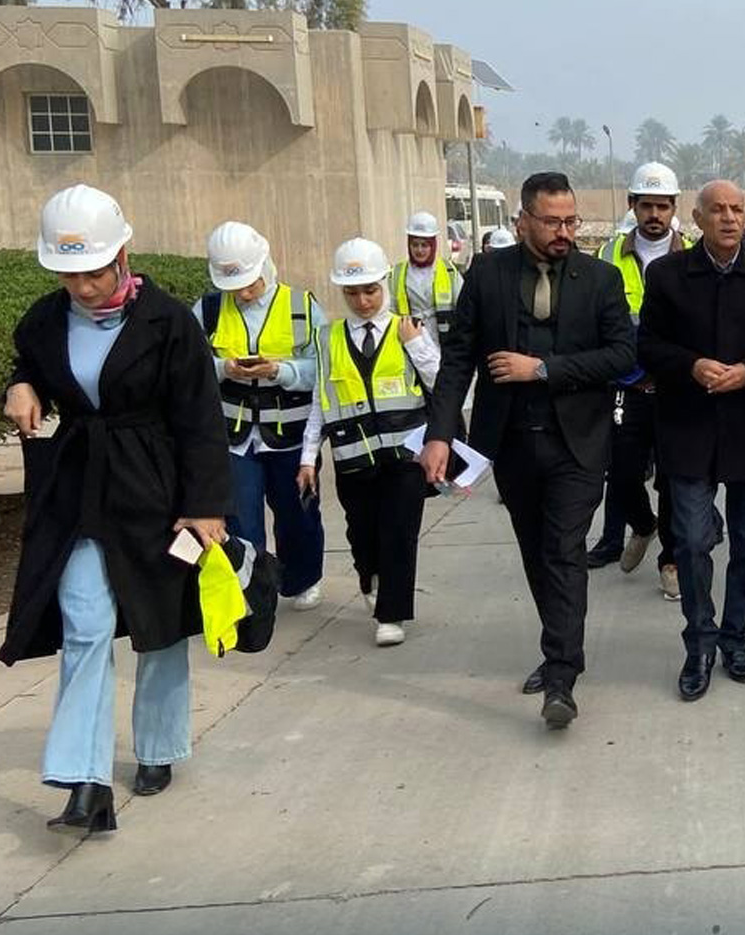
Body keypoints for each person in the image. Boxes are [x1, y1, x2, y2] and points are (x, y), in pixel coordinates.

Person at [0, 185, 233, 832]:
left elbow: (200, 418)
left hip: (155, 492)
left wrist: (205, 505)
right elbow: (27, 366)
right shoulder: (45, 320)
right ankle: (86, 780)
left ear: (122, 255)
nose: (82, 286)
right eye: (68, 274)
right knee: (85, 626)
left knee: (158, 625)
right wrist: (20, 386)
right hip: (77, 490)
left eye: (94, 272)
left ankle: (157, 746)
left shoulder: (169, 323)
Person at [421, 171, 635, 729]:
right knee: (537, 553)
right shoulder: (487, 275)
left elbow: (621, 355)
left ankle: (561, 677)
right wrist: (440, 434)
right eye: (552, 222)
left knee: (564, 550)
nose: (565, 232)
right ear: (523, 221)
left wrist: (542, 369)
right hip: (511, 444)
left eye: (571, 221)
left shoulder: (601, 278)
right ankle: (559, 646)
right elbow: (458, 358)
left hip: (578, 444)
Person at [639, 181, 745, 700]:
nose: (730, 218)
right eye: (718, 210)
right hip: (688, 430)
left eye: (738, 210)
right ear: (697, 219)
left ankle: (735, 640)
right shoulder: (667, 276)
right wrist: (691, 365)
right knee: (692, 540)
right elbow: (647, 345)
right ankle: (699, 643)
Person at [298, 238, 442, 647]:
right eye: (352, 293)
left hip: (405, 457)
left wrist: (417, 345)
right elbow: (320, 402)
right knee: (362, 537)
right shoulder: (327, 338)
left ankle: (392, 615)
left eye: (370, 291)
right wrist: (308, 458)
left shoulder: (408, 330)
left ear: (385, 285)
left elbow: (441, 383)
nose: (362, 301)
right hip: (353, 460)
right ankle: (369, 577)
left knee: (399, 534)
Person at [196, 221, 326, 611]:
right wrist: (224, 369)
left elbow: (323, 369)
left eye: (249, 283)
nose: (243, 293)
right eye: (234, 286)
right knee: (240, 519)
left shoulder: (302, 307)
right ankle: (253, 590)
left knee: (297, 512)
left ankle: (302, 579)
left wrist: (279, 371)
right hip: (234, 436)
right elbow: (188, 365)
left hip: (290, 433)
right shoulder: (208, 310)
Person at [588, 163, 691, 598]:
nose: (654, 214)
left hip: (675, 388)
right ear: (632, 205)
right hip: (625, 385)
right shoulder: (607, 256)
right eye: (646, 205)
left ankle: (670, 560)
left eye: (662, 206)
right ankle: (643, 525)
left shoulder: (692, 257)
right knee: (622, 472)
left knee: (671, 477)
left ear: (674, 208)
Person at [392, 210, 459, 338]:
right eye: (415, 245)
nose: (419, 250)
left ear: (433, 246)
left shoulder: (449, 271)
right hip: (409, 339)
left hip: (444, 340)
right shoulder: (397, 273)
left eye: (424, 245)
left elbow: (463, 309)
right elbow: (390, 310)